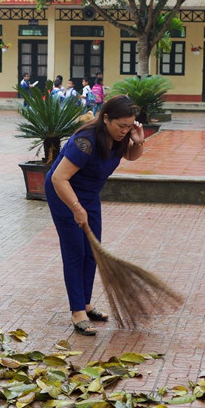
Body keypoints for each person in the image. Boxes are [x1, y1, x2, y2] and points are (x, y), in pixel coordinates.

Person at [46, 95, 145, 336]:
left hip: (89, 194)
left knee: (92, 249)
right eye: (121, 126)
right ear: (106, 118)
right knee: (75, 251)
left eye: (129, 126)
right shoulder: (86, 142)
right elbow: (59, 178)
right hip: (64, 193)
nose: (124, 131)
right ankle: (77, 311)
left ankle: (86, 303)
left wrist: (138, 141)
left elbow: (130, 156)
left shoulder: (121, 137)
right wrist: (76, 207)